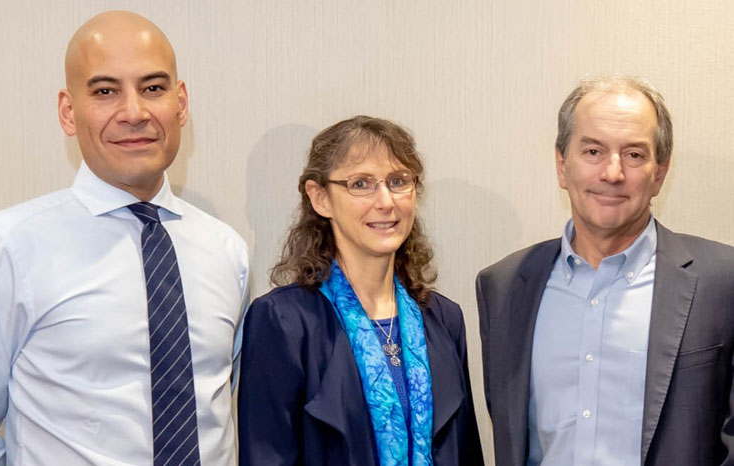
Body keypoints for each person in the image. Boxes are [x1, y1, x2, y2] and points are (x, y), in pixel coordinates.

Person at [0, 11, 249, 465]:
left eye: (153, 88)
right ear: (68, 111)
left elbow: (218, 407)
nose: (134, 113)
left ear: (182, 103)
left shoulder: (226, 250)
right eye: (105, 91)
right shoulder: (8, 247)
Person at [476, 76, 734, 465]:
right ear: (562, 165)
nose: (612, 173)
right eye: (593, 151)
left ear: (659, 173)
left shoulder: (723, 281)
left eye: (633, 155)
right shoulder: (504, 286)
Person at [238, 116, 483, 465]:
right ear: (320, 197)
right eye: (361, 184)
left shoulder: (443, 319)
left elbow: (467, 451)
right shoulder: (283, 322)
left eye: (398, 181)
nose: (386, 202)